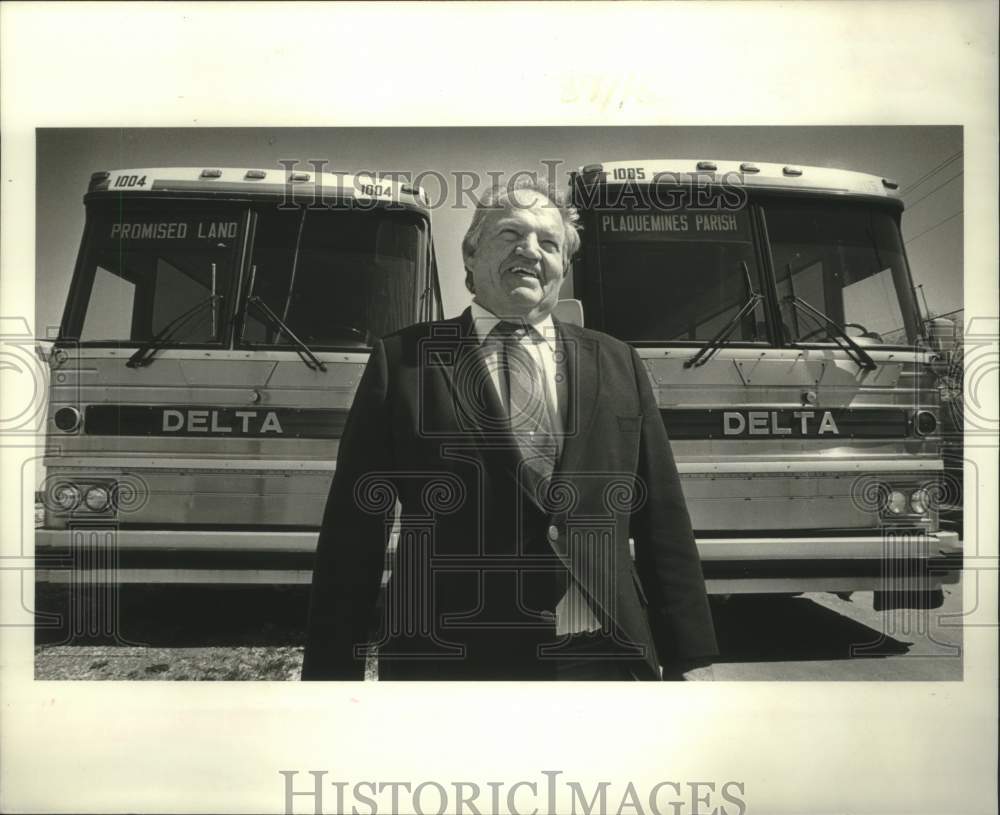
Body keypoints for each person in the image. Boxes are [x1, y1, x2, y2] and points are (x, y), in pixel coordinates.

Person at [302, 179, 717, 681]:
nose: (530, 251)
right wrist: (329, 674)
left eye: (549, 242)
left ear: (564, 265)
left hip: (604, 653)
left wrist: (688, 655)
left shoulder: (617, 362)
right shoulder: (403, 360)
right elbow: (354, 531)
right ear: (470, 254)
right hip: (449, 658)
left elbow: (662, 518)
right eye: (509, 235)